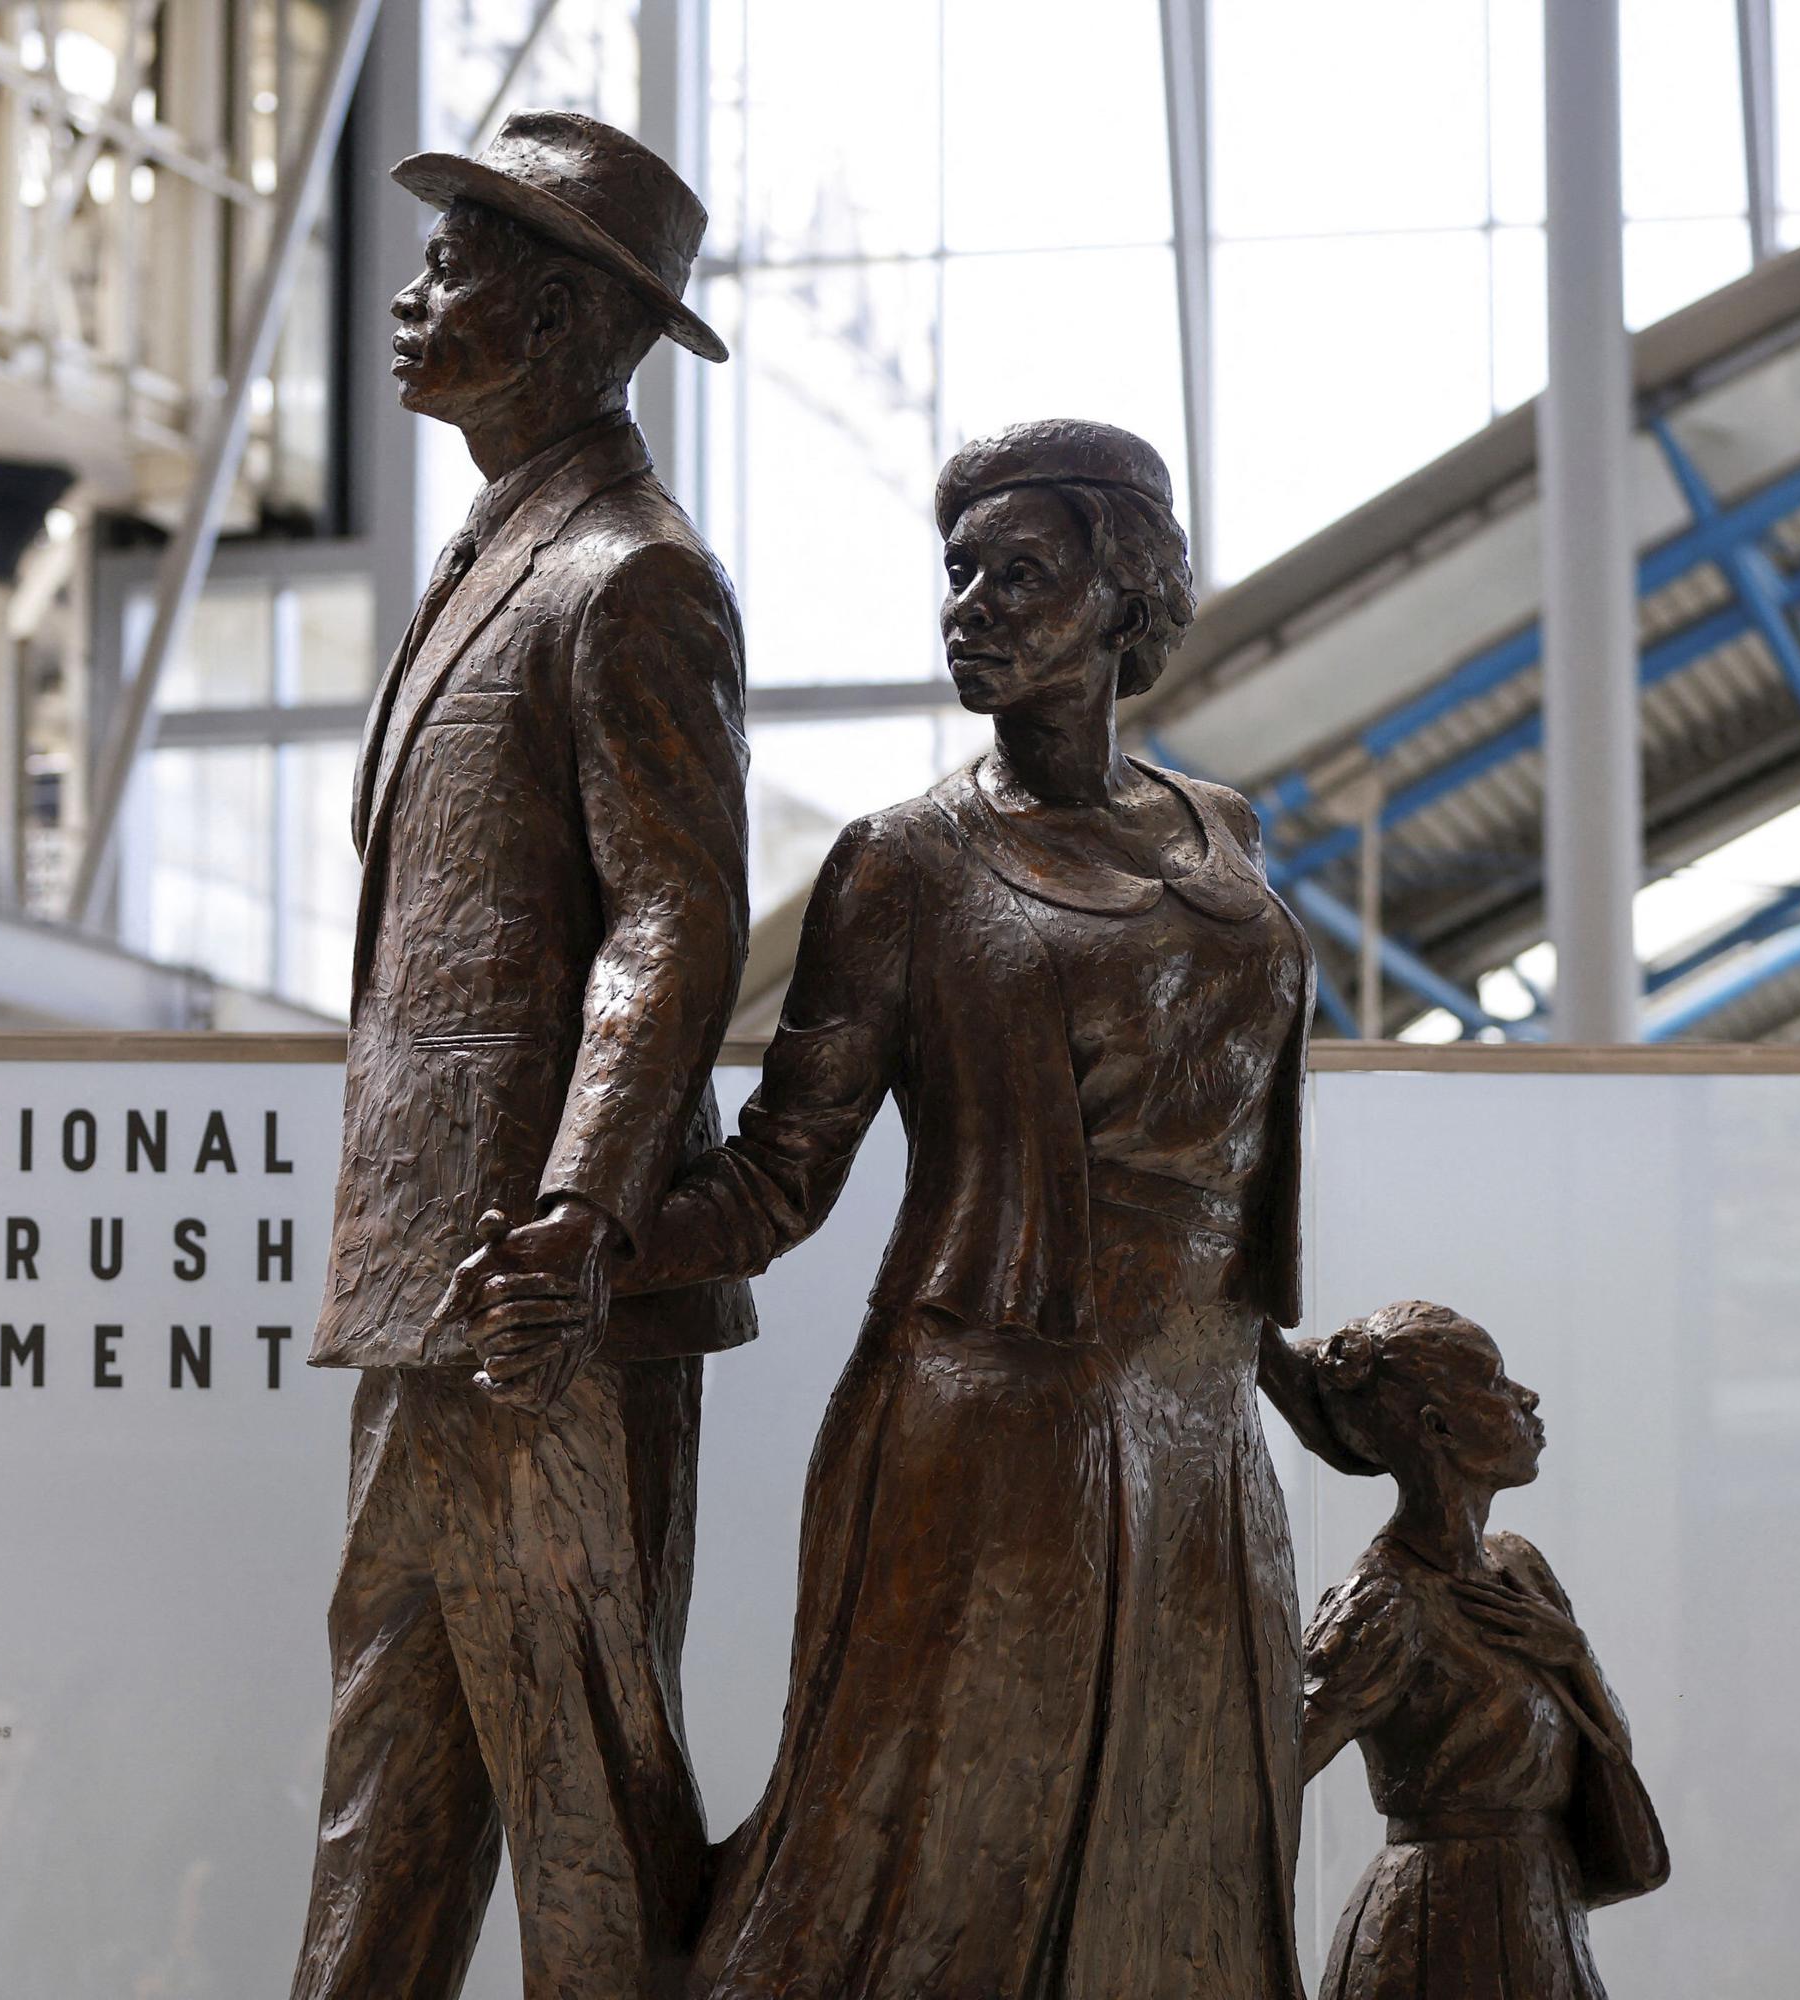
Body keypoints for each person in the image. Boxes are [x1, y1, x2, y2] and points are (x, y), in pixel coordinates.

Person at [449, 418, 1320, 1996]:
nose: (973, 605)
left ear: (1127, 593)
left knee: (1186, 1840)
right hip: (987, 1433)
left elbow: (1229, 1169)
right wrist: (593, 1246)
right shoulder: (903, 868)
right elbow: (785, 1171)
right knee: (926, 1865)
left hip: (1200, 1429)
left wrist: (1292, 1371)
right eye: (961, 572)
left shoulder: (1227, 836)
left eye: (1024, 573)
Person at [289, 108, 751, 2000]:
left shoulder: (630, 575)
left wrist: (576, 1214)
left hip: (536, 1291)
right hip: (439, 1286)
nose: (408, 301)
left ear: (566, 321)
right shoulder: (511, 553)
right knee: (394, 1775)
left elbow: (678, 919)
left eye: (455, 266)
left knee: (577, 1794)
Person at [1290, 1300, 1668, 2000]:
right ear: (1438, 1428)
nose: (1526, 1398)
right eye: (1495, 1384)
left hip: (1545, 1905)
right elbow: (1271, 1778)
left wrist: (1574, 1656)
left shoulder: (1519, 1566)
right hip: (1438, 1923)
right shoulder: (1383, 1601)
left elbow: (1608, 1749)